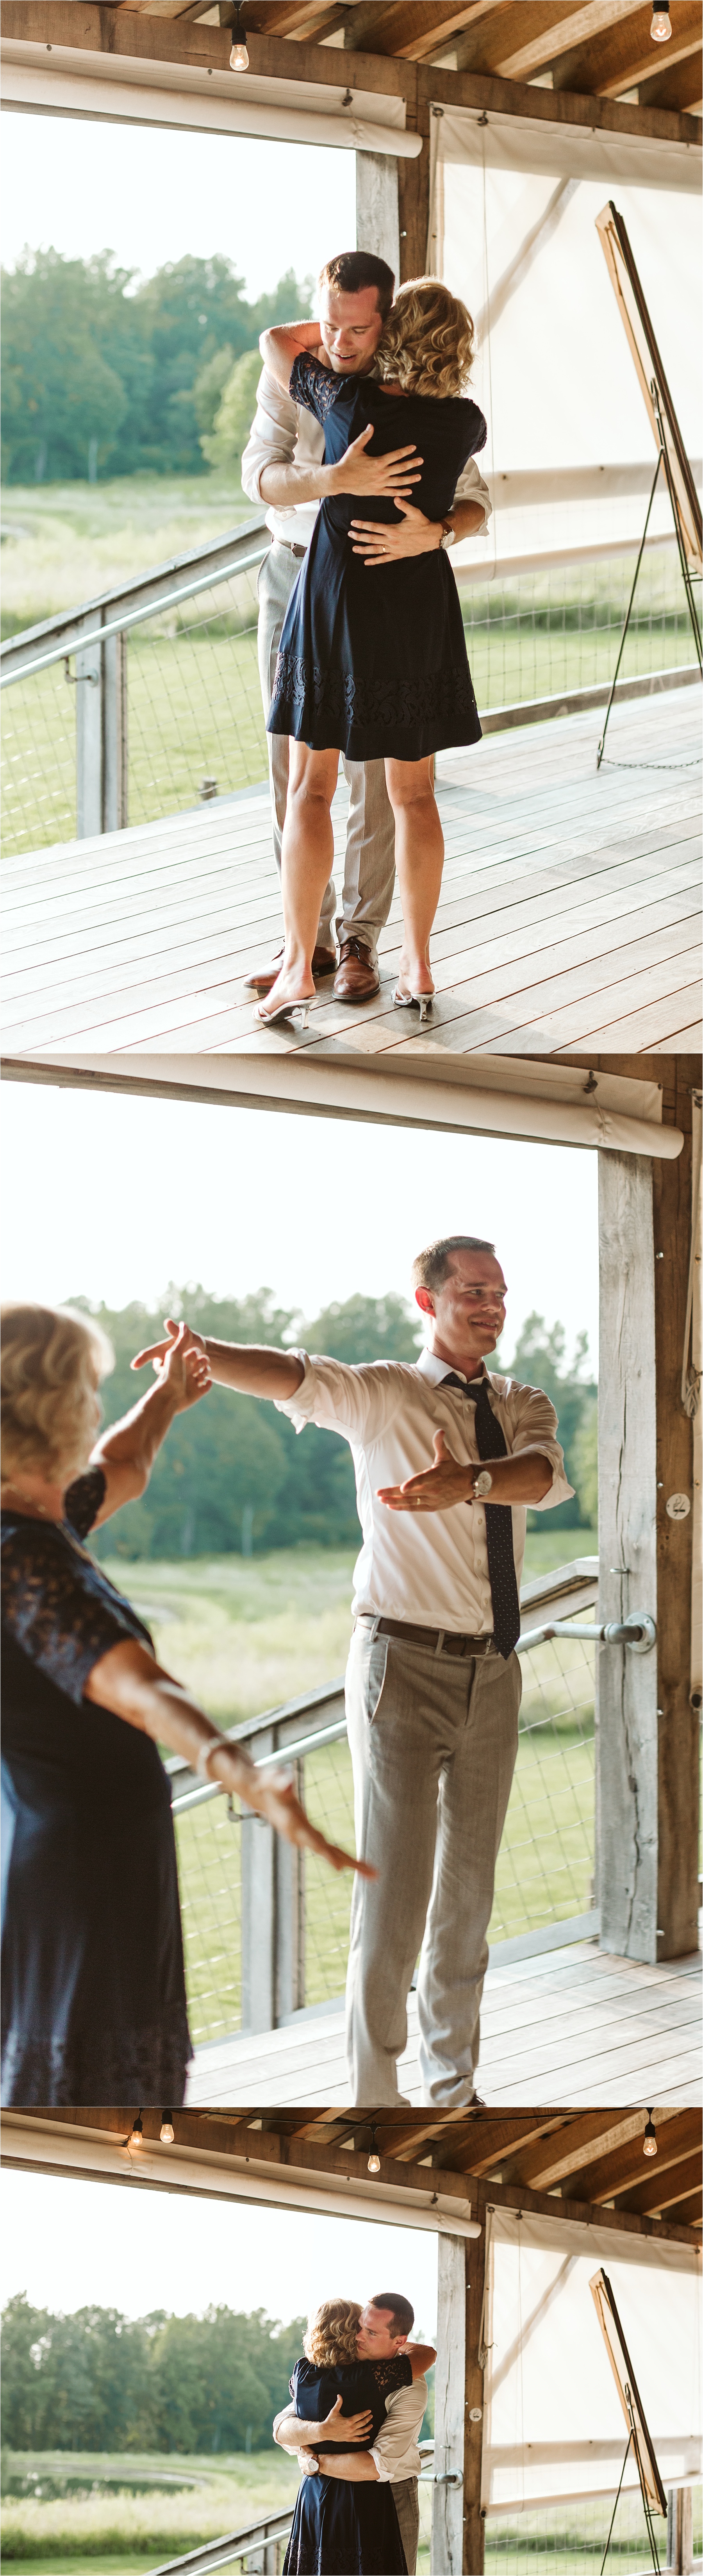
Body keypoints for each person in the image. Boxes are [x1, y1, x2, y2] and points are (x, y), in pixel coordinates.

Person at [132, 1237, 573, 2108]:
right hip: (399, 1670)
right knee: (396, 1895)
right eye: (474, 1292)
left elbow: (541, 1477)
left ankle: (455, 2090)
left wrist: (469, 1482)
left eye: (501, 1293)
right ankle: (376, 2097)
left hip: (495, 1672)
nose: (492, 1306)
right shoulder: (385, 1395)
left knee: (469, 1900)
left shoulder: (524, 1401)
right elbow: (295, 1374)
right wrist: (207, 1356)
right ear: (428, 1301)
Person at [0, 1305, 372, 2109]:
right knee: (85, 2104)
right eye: (85, 1390)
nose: (96, 1406)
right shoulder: (27, 1564)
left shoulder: (36, 1521)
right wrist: (238, 1770)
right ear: (46, 1411)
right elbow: (140, 1686)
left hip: (89, 1853)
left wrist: (169, 1394)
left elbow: (122, 1463)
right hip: (82, 1873)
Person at [241, 248, 491, 1008]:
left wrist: (439, 530)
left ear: (389, 327)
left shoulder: (346, 398)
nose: (338, 340)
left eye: (356, 328)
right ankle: (310, 946)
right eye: (329, 321)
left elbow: (476, 503)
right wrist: (332, 481)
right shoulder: (462, 417)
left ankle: (359, 943)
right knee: (318, 782)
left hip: (340, 593)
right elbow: (259, 473)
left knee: (356, 788)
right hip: (307, 580)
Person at [275, 2296, 435, 2575]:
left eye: (371, 2332)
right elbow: (282, 2427)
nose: (360, 2336)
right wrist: (321, 2430)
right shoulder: (335, 2372)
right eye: (359, 2327)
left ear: (399, 2340)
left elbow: (377, 2465)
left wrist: (314, 2460)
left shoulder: (409, 2386)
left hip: (388, 2494)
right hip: (325, 2492)